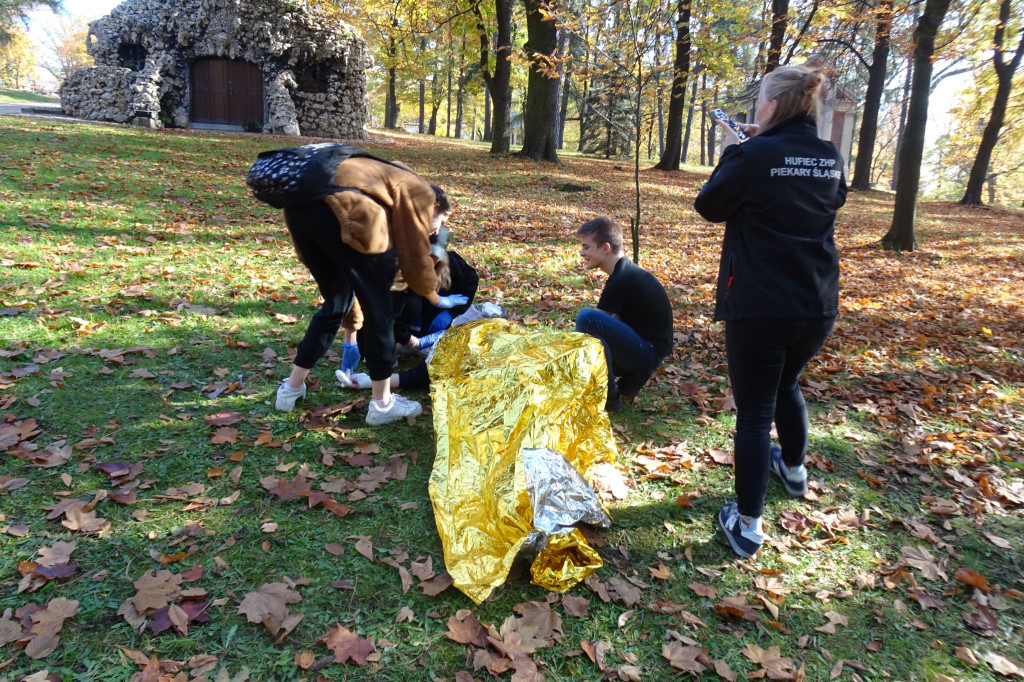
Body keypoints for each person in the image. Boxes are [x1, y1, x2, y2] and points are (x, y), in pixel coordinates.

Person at [694, 64, 847, 559]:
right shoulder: (828, 156)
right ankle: (795, 471)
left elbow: (709, 204)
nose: (754, 108)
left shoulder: (753, 154)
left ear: (774, 106)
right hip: (816, 304)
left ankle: (748, 525)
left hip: (760, 304)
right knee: (788, 385)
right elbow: (830, 198)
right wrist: (759, 148)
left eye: (760, 100)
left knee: (756, 413)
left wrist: (736, 150)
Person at [273, 155, 451, 426]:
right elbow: (415, 264)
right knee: (381, 307)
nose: (431, 235)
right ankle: (382, 404)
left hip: (300, 206)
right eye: (434, 227)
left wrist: (351, 329)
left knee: (336, 302)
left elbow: (353, 277)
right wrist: (434, 295)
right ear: (433, 207)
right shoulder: (420, 194)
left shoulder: (384, 182)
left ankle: (290, 389)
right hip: (340, 210)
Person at [573, 216, 674, 413]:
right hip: (645, 351)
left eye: (586, 247)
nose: (582, 253)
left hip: (648, 355)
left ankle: (610, 399)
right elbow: (611, 326)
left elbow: (591, 329)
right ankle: (626, 388)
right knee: (585, 335)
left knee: (587, 319)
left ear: (605, 248)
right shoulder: (624, 273)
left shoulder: (622, 279)